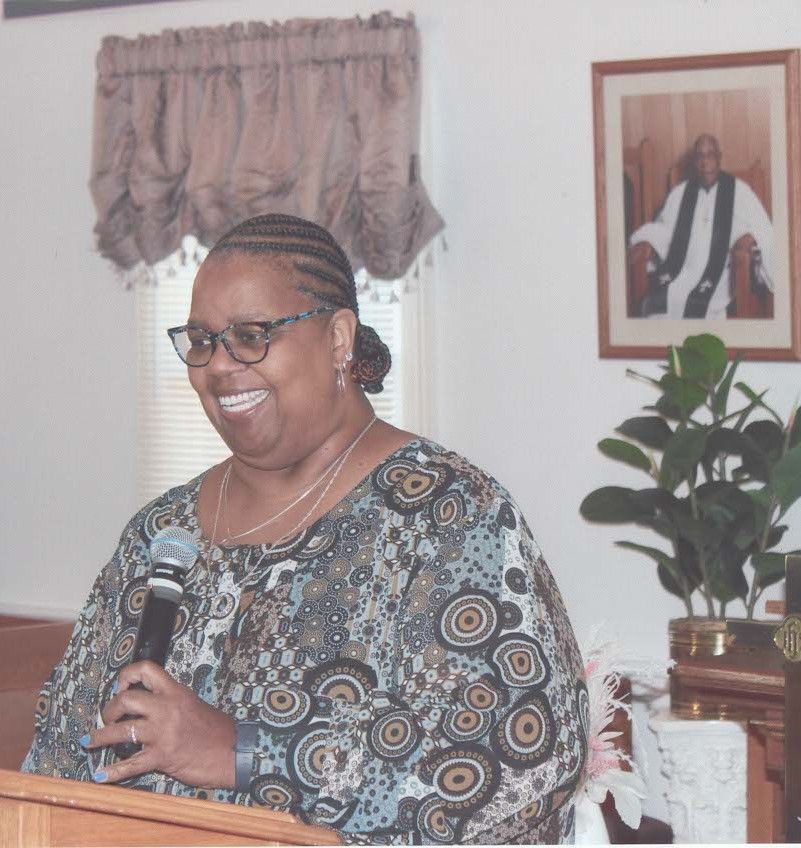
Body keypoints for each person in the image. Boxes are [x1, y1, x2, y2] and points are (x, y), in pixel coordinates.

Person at [22, 214, 587, 844]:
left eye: (252, 334)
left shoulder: (450, 518)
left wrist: (242, 750)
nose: (219, 365)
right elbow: (60, 752)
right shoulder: (160, 532)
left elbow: (516, 769)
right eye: (204, 340)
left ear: (339, 338)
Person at [629, 133, 775, 319]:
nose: (705, 162)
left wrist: (751, 235)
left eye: (711, 155)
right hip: (681, 271)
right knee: (656, 303)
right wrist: (645, 240)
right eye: (700, 156)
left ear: (719, 158)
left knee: (705, 308)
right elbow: (663, 230)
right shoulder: (680, 194)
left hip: (722, 275)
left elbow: (764, 228)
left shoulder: (739, 191)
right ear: (694, 161)